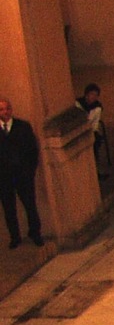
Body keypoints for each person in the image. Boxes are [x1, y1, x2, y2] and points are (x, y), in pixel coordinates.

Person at [0, 96, 43, 248]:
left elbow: (32, 150)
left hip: (22, 175)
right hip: (4, 178)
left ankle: (35, 233)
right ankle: (15, 237)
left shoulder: (22, 127)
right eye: (1, 109)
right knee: (9, 209)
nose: (5, 112)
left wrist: (29, 171)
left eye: (7, 108)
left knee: (30, 205)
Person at [75, 83, 110, 176]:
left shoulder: (97, 107)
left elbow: (92, 122)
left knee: (95, 143)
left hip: (91, 130)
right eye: (92, 94)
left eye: (96, 95)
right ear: (86, 94)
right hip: (79, 129)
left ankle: (96, 169)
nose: (93, 97)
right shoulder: (78, 104)